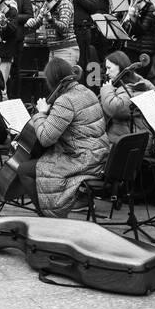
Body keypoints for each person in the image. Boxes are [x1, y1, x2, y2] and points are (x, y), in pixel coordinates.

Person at [18, 56, 109, 217]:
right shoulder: (86, 91)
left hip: (83, 159)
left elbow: (46, 138)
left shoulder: (65, 101)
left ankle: (47, 216)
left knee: (24, 170)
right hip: (99, 154)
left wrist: (40, 114)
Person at [99, 50, 155, 145]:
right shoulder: (139, 83)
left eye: (109, 68)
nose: (107, 72)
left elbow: (115, 109)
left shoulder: (131, 89)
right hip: (131, 140)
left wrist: (106, 90)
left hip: (126, 145)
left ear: (120, 67)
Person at [0, 0, 34, 99]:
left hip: (17, 39)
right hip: (2, 39)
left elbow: (29, 15)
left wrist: (13, 14)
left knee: (15, 73)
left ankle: (15, 99)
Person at [67, 0, 107, 81]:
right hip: (68, 31)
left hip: (83, 30)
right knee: (72, 65)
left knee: (87, 64)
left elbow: (94, 7)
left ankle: (89, 91)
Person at [26, 0, 77, 67]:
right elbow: (37, 23)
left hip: (66, 49)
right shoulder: (46, 4)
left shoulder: (65, 3)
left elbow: (64, 28)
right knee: (53, 80)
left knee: (65, 80)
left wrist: (50, 19)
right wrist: (30, 22)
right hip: (53, 50)